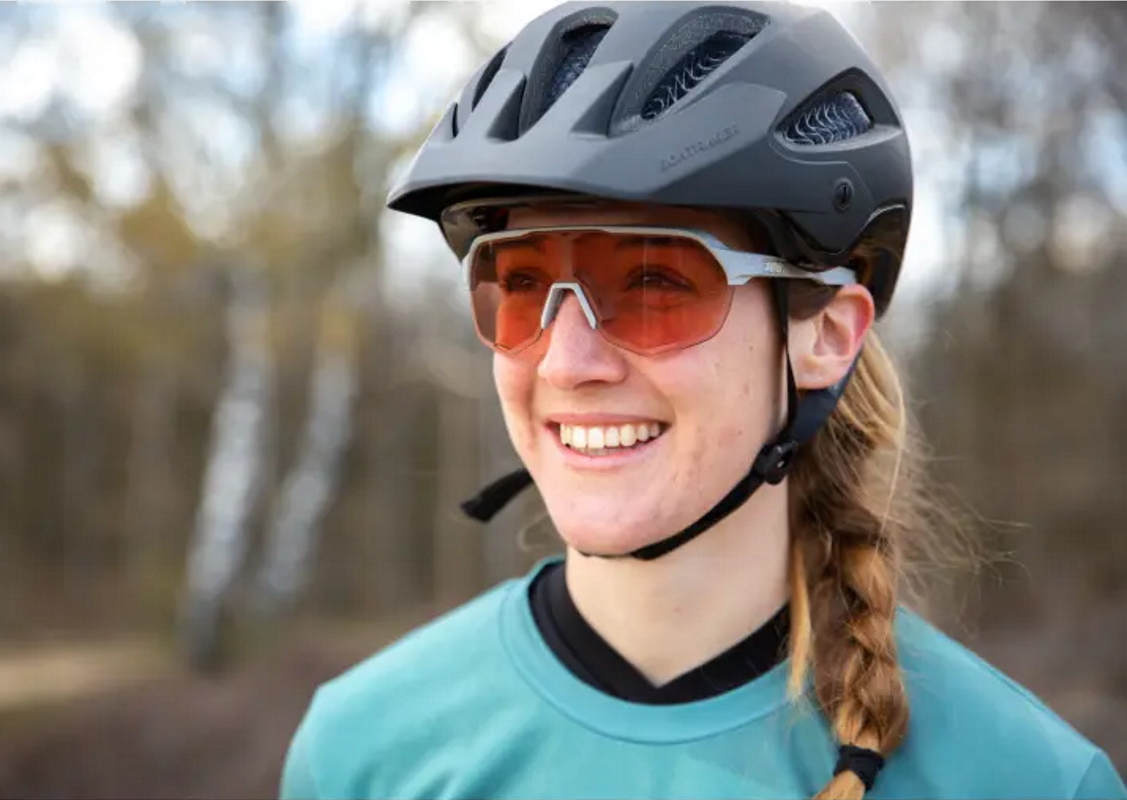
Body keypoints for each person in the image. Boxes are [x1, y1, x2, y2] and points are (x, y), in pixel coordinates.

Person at [280, 2, 1127, 798]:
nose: (567, 362)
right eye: (522, 285)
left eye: (654, 285)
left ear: (828, 334)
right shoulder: (362, 750)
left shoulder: (1030, 780)